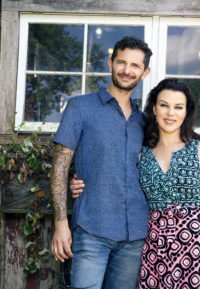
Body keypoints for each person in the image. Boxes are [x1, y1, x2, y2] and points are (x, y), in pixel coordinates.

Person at [71, 79, 200, 288]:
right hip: (155, 248)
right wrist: (80, 181)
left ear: (186, 112)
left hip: (196, 247)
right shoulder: (142, 152)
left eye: (178, 107)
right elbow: (111, 172)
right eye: (164, 105)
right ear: (154, 109)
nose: (170, 113)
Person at [50, 36, 153, 289]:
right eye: (121, 62)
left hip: (135, 234)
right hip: (91, 229)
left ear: (145, 72)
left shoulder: (147, 122)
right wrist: (61, 223)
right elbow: (60, 167)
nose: (127, 70)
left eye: (135, 65)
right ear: (110, 63)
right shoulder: (80, 108)